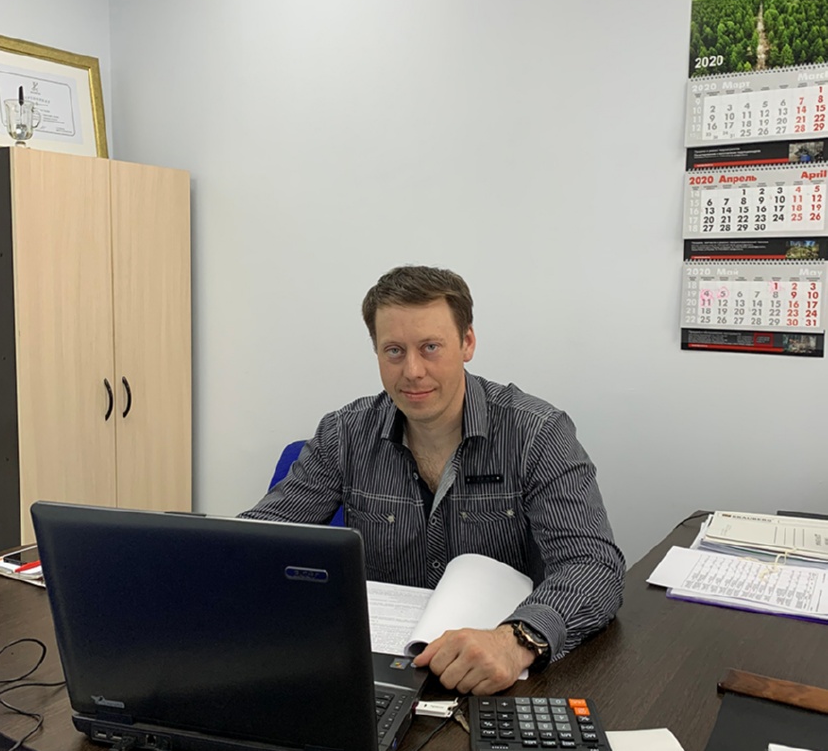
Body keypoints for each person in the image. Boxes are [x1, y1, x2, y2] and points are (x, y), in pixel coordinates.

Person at [240, 265, 625, 695]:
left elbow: (594, 567)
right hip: (380, 676)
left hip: (499, 676)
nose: (413, 371)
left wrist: (515, 640)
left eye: (430, 347)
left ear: (467, 343)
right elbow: (257, 541)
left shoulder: (537, 433)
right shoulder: (344, 434)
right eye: (394, 351)